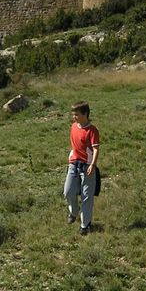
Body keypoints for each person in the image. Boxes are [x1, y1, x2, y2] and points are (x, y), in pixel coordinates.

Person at [64, 101, 100, 236]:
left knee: (87, 196)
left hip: (87, 167)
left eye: (76, 114)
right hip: (73, 164)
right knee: (68, 191)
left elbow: (96, 149)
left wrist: (92, 165)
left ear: (85, 114)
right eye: (73, 114)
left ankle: (85, 225)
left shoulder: (92, 130)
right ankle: (73, 212)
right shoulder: (73, 127)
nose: (74, 117)